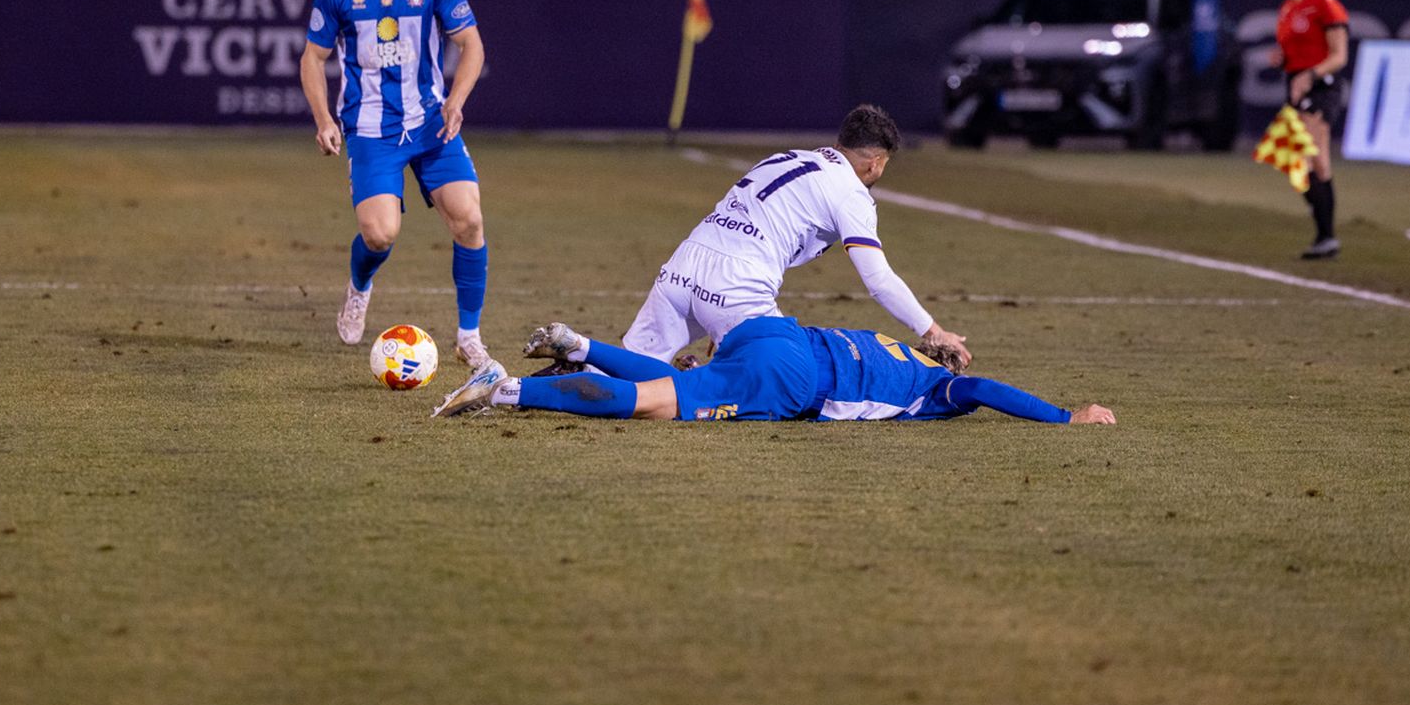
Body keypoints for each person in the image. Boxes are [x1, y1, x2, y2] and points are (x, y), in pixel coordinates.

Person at [298, 0, 495, 367]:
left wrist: (456, 101)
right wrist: (324, 120)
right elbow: (312, 58)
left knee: (469, 220)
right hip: (370, 130)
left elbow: (471, 44)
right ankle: (360, 284)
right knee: (380, 235)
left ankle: (469, 336)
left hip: (430, 123)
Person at [622, 104, 974, 367]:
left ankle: (592, 365)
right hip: (738, 284)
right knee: (794, 376)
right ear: (876, 163)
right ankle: (697, 378)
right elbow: (879, 280)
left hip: (684, 265)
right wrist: (934, 332)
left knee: (628, 367)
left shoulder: (787, 158)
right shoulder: (851, 192)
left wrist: (724, 316)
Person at [433, 318, 1115, 425]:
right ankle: (508, 389)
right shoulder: (935, 386)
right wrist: (1066, 416)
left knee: (680, 382)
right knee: (652, 402)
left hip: (780, 332)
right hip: (792, 377)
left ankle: (581, 345)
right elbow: (980, 388)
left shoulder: (899, 348)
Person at [1270, 0, 1350, 260]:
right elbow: (1293, 50)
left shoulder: (1325, 4)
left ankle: (1326, 236)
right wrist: (1282, 60)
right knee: (1295, 161)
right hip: (1296, 85)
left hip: (1320, 87)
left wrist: (1310, 75)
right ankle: (1323, 229)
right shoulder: (1288, 7)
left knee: (1315, 159)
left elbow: (1339, 56)